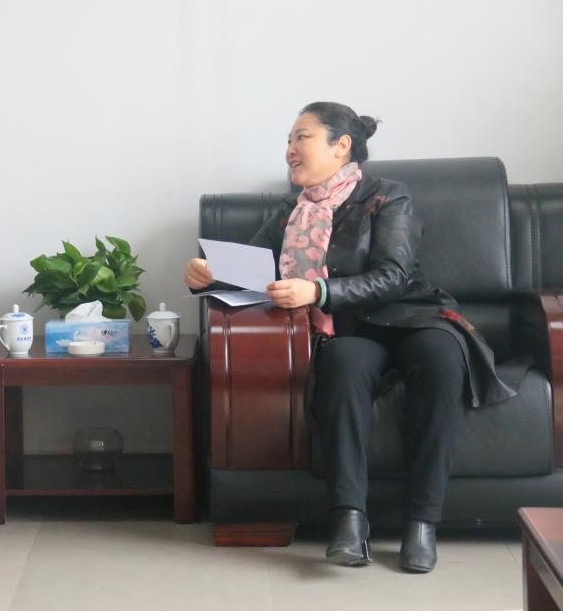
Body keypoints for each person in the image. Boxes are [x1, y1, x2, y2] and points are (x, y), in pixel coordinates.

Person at [184, 101, 513, 573]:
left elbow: (394, 275)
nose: (290, 149)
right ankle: (349, 522)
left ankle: (422, 522)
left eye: (301, 137)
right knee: (341, 365)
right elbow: (252, 269)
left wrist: (317, 291)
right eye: (288, 140)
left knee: (442, 358)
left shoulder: (388, 196)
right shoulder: (291, 209)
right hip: (351, 329)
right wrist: (207, 275)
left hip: (412, 317)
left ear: (341, 146)